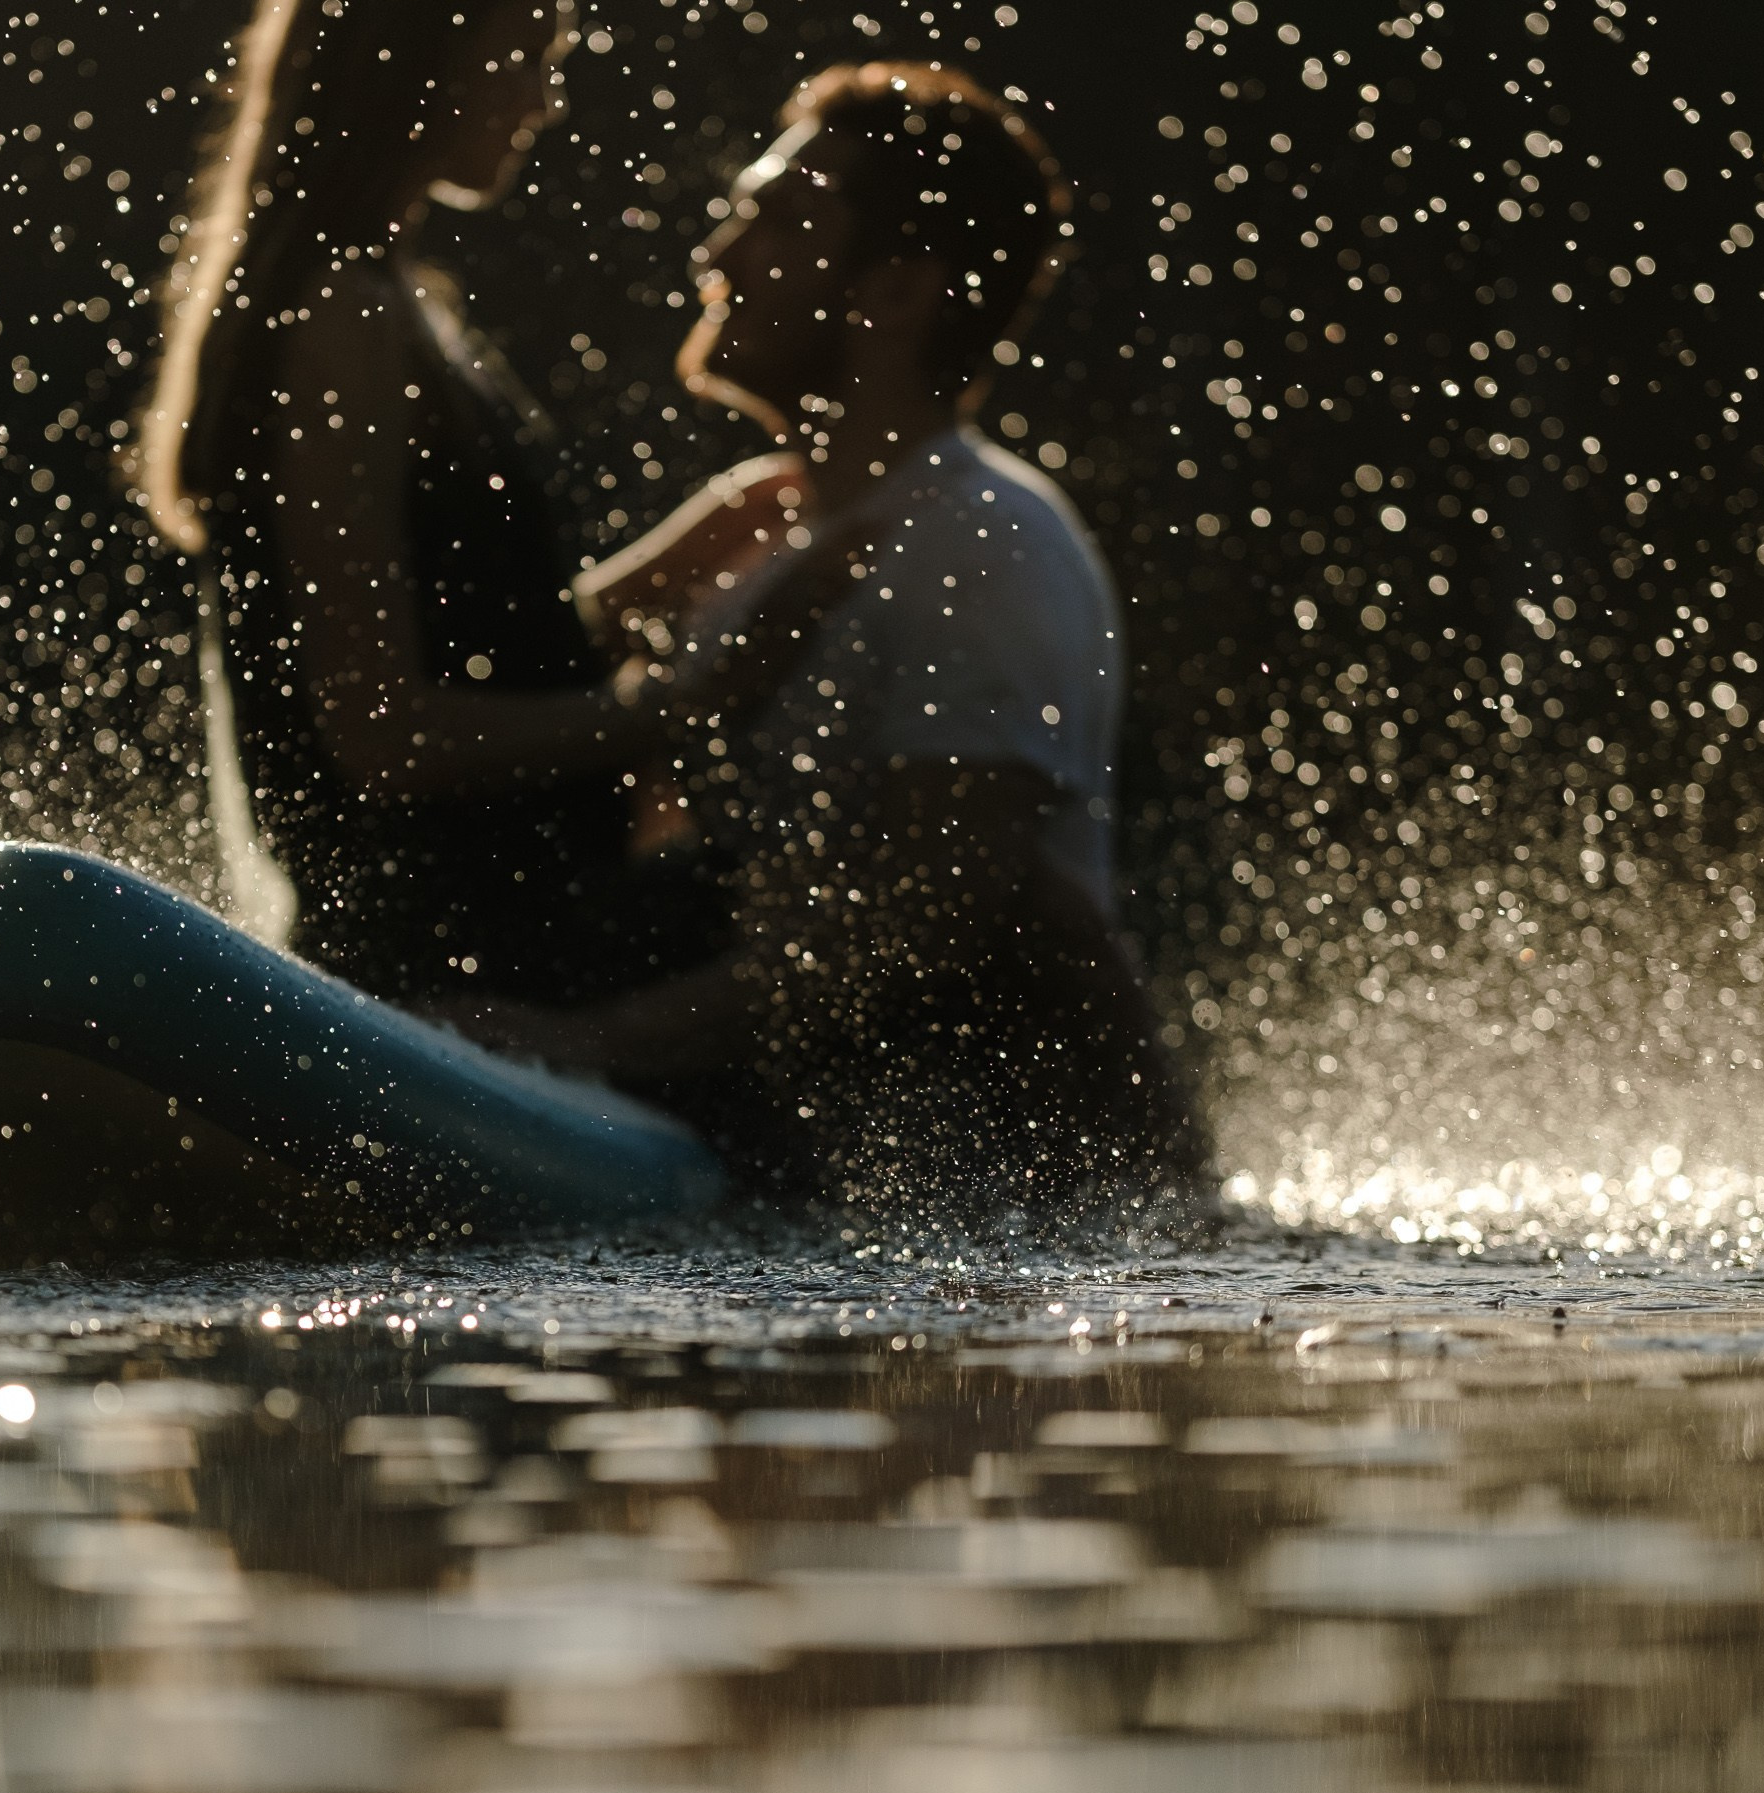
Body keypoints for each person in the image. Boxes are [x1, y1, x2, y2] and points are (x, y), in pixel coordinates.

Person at [445, 60, 1205, 1217]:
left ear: (896, 291)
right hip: (834, 1169)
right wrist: (626, 603)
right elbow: (644, 819)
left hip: (1028, 1220)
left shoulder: (985, 543)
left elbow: (918, 926)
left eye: (776, 217)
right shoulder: (770, 532)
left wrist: (575, 1038)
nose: (718, 256)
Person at [136, 0, 724, 1005]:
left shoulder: (397, 304)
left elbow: (475, 642)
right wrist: (668, 710)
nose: (545, 98)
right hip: (451, 954)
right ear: (421, 53)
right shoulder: (338, 319)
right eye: (526, 53)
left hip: (499, 918)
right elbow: (379, 735)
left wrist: (685, 558)